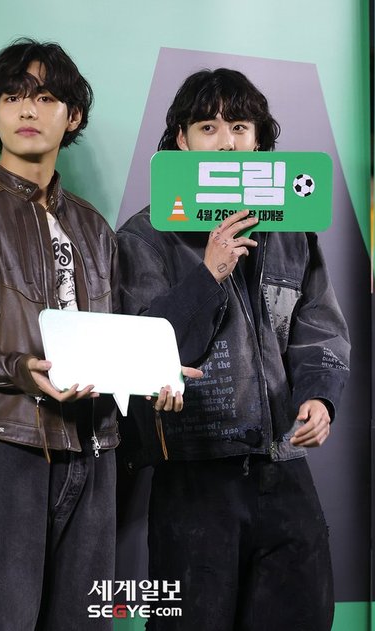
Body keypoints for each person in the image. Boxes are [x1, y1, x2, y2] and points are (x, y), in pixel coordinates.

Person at [0, 38, 190, 631]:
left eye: (44, 97)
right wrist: (17, 369)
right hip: (6, 445)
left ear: (72, 115)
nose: (27, 110)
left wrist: (154, 373)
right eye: (12, 98)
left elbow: (111, 333)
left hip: (95, 448)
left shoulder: (94, 226)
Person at [117, 68, 350, 631]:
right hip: (194, 474)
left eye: (240, 127)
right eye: (208, 127)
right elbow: (145, 351)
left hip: (283, 467)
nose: (226, 142)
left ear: (259, 141)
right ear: (181, 140)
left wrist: (319, 397)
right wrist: (210, 274)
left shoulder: (292, 229)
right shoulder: (144, 236)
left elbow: (319, 327)